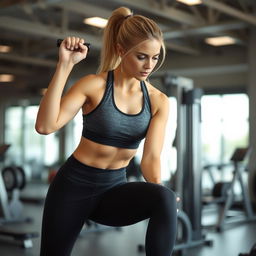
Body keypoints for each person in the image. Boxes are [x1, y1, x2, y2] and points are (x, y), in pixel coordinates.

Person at [35, 6, 177, 256]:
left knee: (164, 197)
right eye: (142, 56)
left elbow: (152, 158)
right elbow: (45, 126)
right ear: (122, 51)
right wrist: (65, 65)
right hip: (72, 187)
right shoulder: (94, 85)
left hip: (113, 191)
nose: (149, 65)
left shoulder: (158, 101)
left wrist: (159, 191)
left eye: (155, 58)